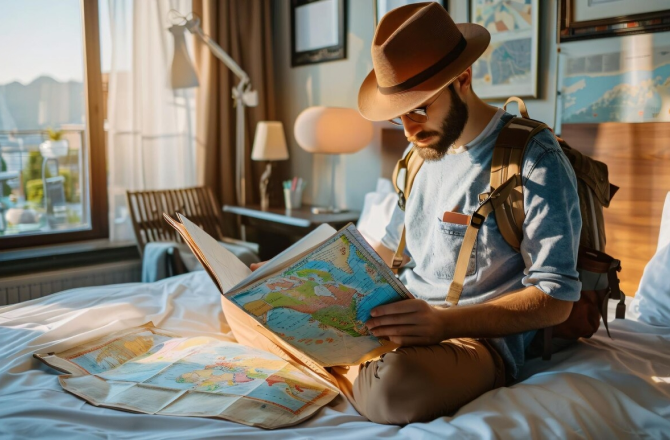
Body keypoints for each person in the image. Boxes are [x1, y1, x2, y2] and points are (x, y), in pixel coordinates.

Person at [226, 2, 582, 425]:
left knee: (394, 388)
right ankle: (335, 360)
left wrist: (441, 325)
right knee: (238, 309)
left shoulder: (533, 158)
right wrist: (294, 278)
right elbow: (384, 252)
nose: (409, 130)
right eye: (399, 116)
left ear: (462, 79)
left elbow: (555, 297)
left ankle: (314, 363)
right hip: (395, 324)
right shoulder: (418, 157)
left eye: (419, 109)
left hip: (470, 341)